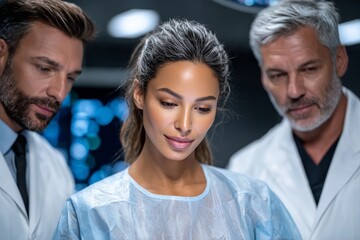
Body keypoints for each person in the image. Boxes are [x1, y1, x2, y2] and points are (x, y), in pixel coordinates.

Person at [53, 18, 300, 239]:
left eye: (202, 108)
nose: (184, 125)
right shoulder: (89, 213)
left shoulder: (254, 204)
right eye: (169, 103)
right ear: (139, 94)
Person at [227, 0, 360, 239]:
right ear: (263, 78)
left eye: (309, 69)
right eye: (277, 75)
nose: (294, 91)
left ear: (339, 60)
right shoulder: (245, 169)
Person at [0, 0, 95, 239]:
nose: (60, 93)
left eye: (71, 77)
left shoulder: (56, 168)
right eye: (44, 68)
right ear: (2, 55)